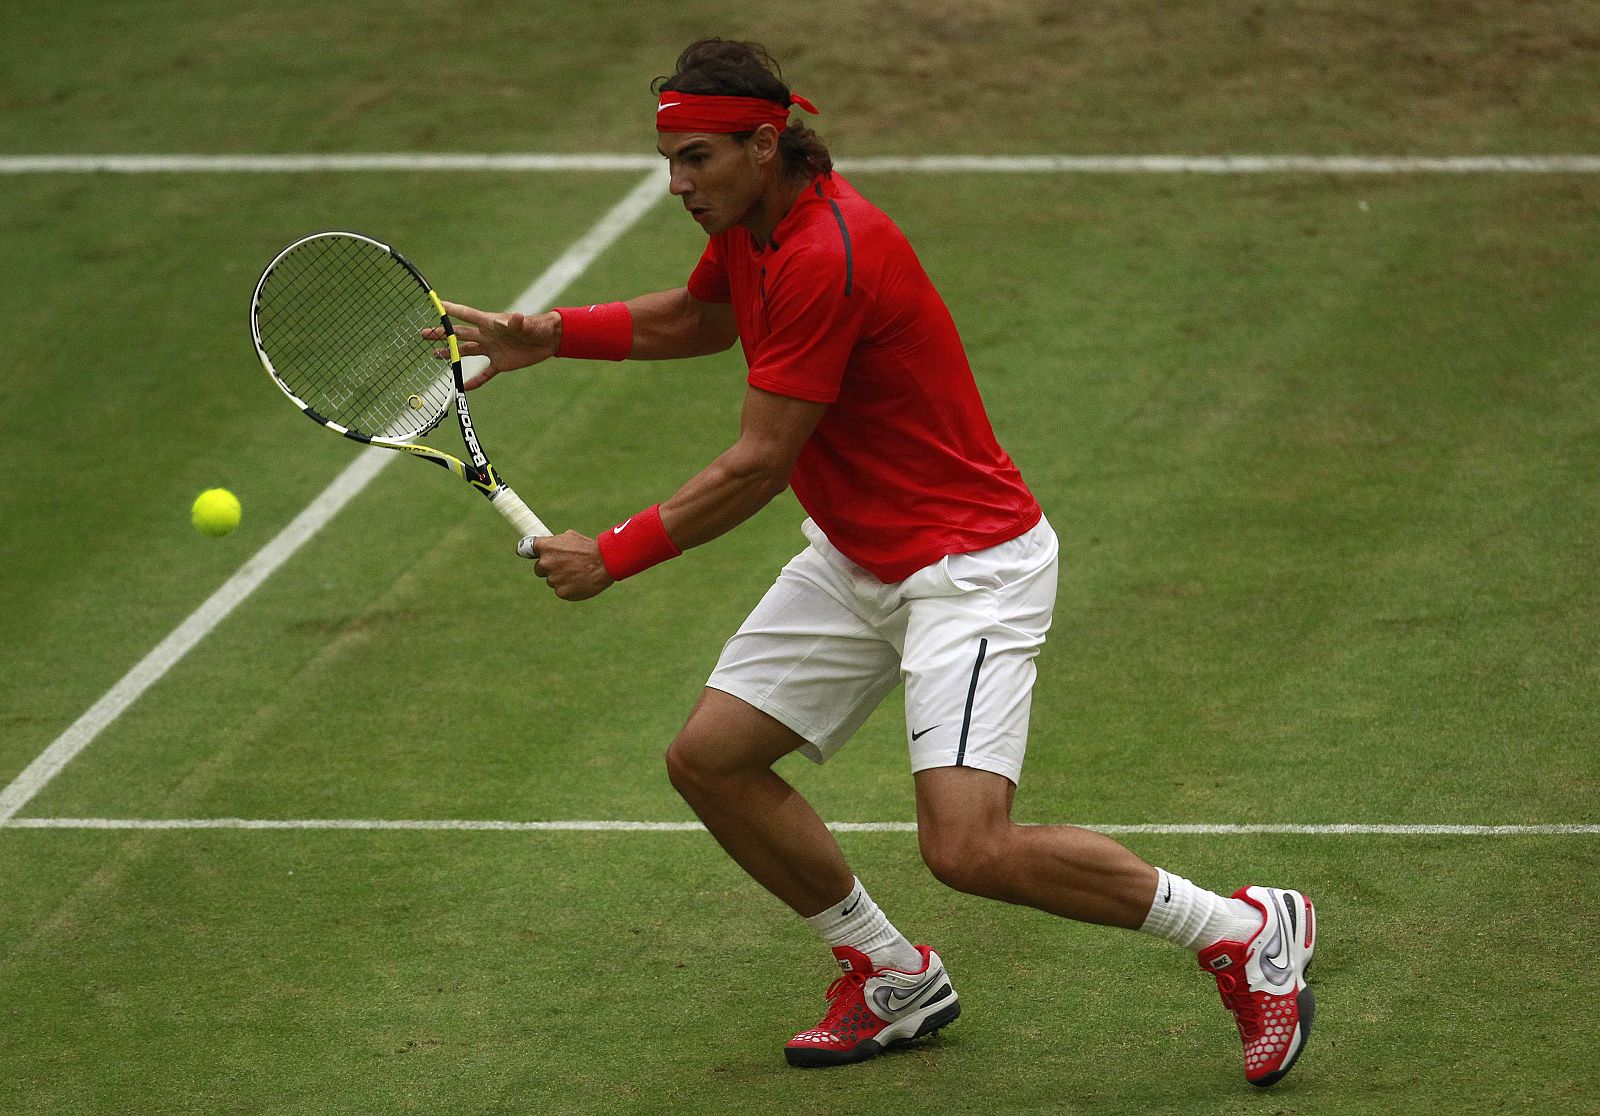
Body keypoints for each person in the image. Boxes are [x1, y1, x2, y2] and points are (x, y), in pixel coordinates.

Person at [432, 38, 1317, 1087]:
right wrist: (548, 333)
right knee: (710, 760)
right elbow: (704, 318)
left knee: (968, 849)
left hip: (966, 568)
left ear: (765, 145)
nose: (677, 184)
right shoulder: (759, 225)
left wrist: (611, 555)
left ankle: (1240, 929)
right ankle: (891, 974)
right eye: (668, 159)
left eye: (697, 159)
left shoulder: (823, 255)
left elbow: (759, 464)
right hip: (857, 552)